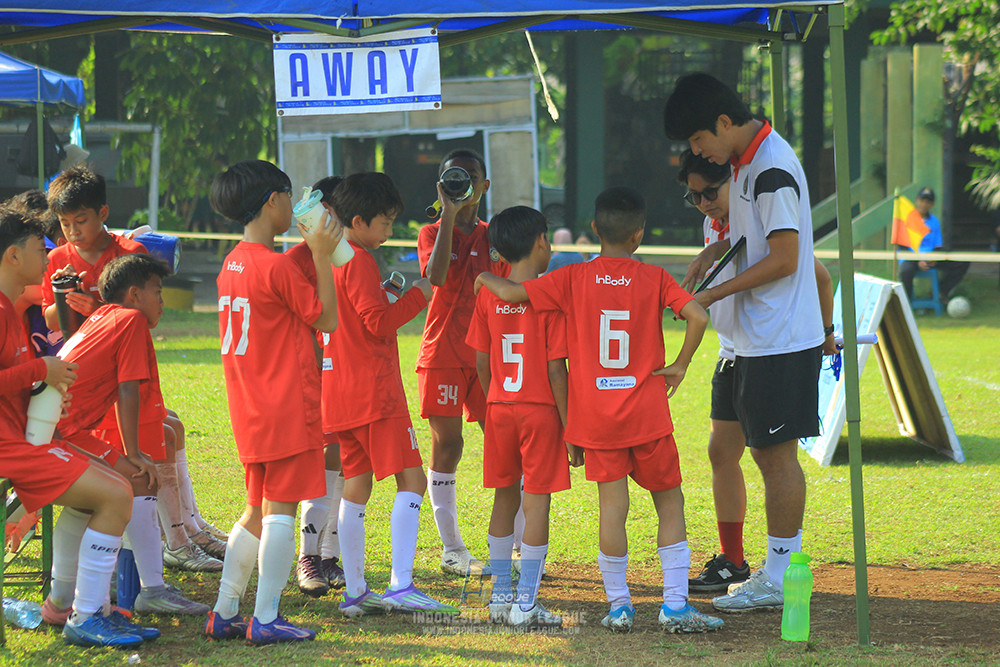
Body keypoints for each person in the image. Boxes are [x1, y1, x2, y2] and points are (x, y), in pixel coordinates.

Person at [476, 187, 723, 634]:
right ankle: (674, 605)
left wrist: (483, 279)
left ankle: (620, 604)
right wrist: (680, 365)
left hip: (596, 420)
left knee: (613, 509)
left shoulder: (572, 279)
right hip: (646, 413)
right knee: (670, 503)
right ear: (639, 234)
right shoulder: (654, 278)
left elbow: (514, 295)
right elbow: (699, 317)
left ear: (594, 229)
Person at [664, 72, 825, 612]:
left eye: (697, 140)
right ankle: (766, 570)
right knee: (753, 453)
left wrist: (710, 296)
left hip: (780, 339)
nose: (698, 152)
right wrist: (719, 251)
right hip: (756, 342)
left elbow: (786, 260)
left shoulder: (773, 167)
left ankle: (779, 576)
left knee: (775, 459)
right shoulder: (748, 165)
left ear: (724, 123)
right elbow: (758, 240)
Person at [0, 206, 156, 648]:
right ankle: (86, 616)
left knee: (113, 486)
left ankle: (72, 606)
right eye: (39, 249)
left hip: (25, 436)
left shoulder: (10, 311)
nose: (49, 257)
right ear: (13, 256)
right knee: (117, 492)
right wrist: (40, 371)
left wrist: (45, 387)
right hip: (10, 446)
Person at [204, 159, 342, 644]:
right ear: (272, 201)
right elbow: (326, 320)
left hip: (251, 405)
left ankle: (224, 611)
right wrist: (321, 255)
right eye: (288, 195)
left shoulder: (233, 261)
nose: (292, 204)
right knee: (280, 510)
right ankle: (264, 618)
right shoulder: (275, 265)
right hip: (286, 404)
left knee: (255, 510)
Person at [320, 172, 455, 617]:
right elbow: (377, 324)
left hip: (340, 393)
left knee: (356, 485)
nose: (389, 231)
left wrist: (387, 295)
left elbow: (357, 317)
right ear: (357, 221)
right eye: (384, 222)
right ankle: (400, 585)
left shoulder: (333, 259)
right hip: (375, 395)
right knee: (412, 480)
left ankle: (356, 591)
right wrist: (418, 295)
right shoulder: (357, 260)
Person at [48, 253, 210, 618]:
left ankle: (61, 602)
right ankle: (148, 591)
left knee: (94, 499)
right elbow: (127, 390)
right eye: (158, 291)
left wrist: (131, 452)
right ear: (135, 294)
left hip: (58, 428)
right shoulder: (131, 320)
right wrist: (134, 453)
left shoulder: (105, 315)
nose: (163, 302)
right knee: (138, 479)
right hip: (58, 432)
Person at [465, 206, 572, 628]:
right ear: (542, 241)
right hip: (541, 410)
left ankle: (499, 597)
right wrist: (569, 425)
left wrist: (494, 401)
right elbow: (554, 369)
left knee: (504, 497)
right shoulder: (550, 296)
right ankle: (525, 603)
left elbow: (481, 362)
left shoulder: (489, 293)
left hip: (500, 408)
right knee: (536, 501)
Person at [416, 149, 508, 575]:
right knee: (448, 445)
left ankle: (516, 545)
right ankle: (452, 548)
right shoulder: (432, 231)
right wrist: (449, 214)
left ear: (486, 186)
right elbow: (435, 278)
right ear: (442, 184)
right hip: (444, 355)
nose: (464, 182)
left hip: (490, 356)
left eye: (472, 176)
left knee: (505, 444)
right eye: (455, 176)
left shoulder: (498, 235)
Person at [285, 174, 347, 597]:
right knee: (320, 456)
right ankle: (308, 554)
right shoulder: (292, 262)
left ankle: (330, 554)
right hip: (308, 375)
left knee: (345, 455)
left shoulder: (351, 258)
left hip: (350, 371)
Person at [897, 187, 969, 303]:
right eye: (922, 200)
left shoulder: (934, 221)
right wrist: (917, 261)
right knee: (906, 271)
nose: (924, 204)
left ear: (932, 204)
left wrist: (935, 258)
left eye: (928, 202)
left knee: (962, 261)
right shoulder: (906, 219)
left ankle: (941, 292)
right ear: (916, 200)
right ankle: (906, 303)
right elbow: (902, 246)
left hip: (929, 257)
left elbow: (937, 245)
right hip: (910, 257)